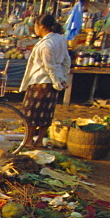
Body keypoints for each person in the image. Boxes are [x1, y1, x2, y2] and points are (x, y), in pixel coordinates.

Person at [20, 13, 71, 149]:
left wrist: (56, 81)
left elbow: (50, 67)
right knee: (46, 113)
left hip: (41, 82)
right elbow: (66, 61)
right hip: (53, 82)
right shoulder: (60, 39)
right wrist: (62, 78)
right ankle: (39, 141)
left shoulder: (46, 45)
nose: (34, 29)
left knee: (30, 113)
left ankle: (29, 141)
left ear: (41, 26)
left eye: (35, 25)